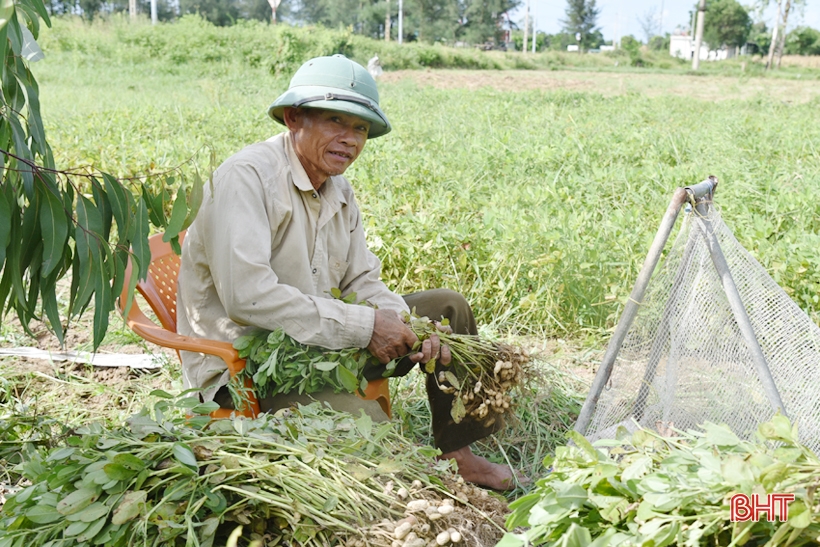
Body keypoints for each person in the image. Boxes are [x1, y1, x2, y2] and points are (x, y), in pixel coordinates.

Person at [177, 54, 516, 490]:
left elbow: (361, 279)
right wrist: (364, 326)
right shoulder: (248, 178)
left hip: (323, 338)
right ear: (294, 117)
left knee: (446, 309)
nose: (350, 140)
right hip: (255, 362)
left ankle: (459, 453)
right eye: (336, 121)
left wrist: (409, 323)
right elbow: (248, 297)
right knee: (372, 439)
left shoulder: (337, 188)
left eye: (360, 128)